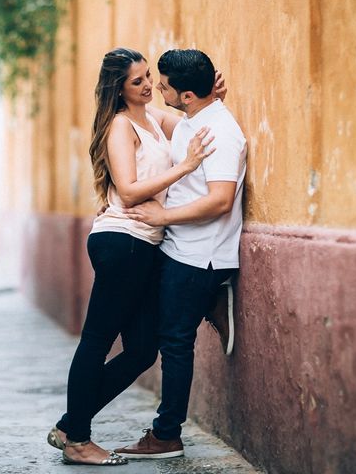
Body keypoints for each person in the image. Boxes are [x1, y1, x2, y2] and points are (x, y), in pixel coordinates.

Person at [46, 47, 223, 466]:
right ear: (119, 88)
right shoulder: (120, 126)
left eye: (148, 77)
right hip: (121, 242)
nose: (148, 86)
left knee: (143, 350)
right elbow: (127, 190)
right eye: (137, 81)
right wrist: (185, 168)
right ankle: (78, 441)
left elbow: (188, 119)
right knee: (96, 342)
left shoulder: (154, 121)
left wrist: (209, 97)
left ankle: (72, 424)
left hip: (145, 246)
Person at [115, 48, 247, 459]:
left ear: (186, 95)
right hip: (179, 248)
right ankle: (210, 299)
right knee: (158, 325)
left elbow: (221, 200)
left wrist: (164, 215)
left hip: (200, 256)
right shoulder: (193, 120)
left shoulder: (220, 133)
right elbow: (159, 123)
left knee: (174, 342)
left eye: (165, 86)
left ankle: (167, 434)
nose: (157, 89)